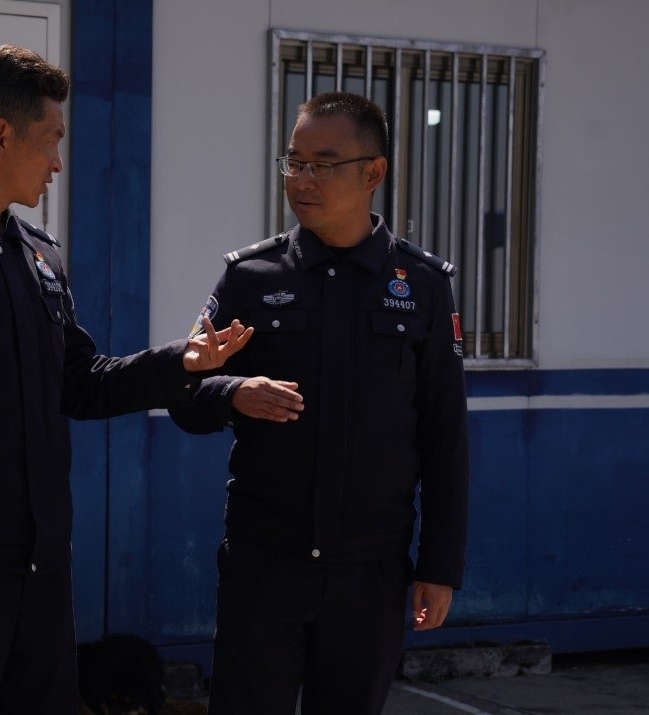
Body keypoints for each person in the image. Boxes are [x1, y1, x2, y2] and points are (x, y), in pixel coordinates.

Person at [0, 44, 253, 714]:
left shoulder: (39, 257)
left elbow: (82, 382)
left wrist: (181, 362)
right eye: (51, 139)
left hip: (42, 574)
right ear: (3, 136)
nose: (58, 162)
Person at [169, 91, 470, 715]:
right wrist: (233, 392)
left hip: (370, 571)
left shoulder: (421, 286)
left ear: (373, 173)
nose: (302, 179)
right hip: (265, 564)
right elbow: (185, 396)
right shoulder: (251, 279)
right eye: (294, 161)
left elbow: (445, 436)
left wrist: (439, 565)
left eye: (323, 164)